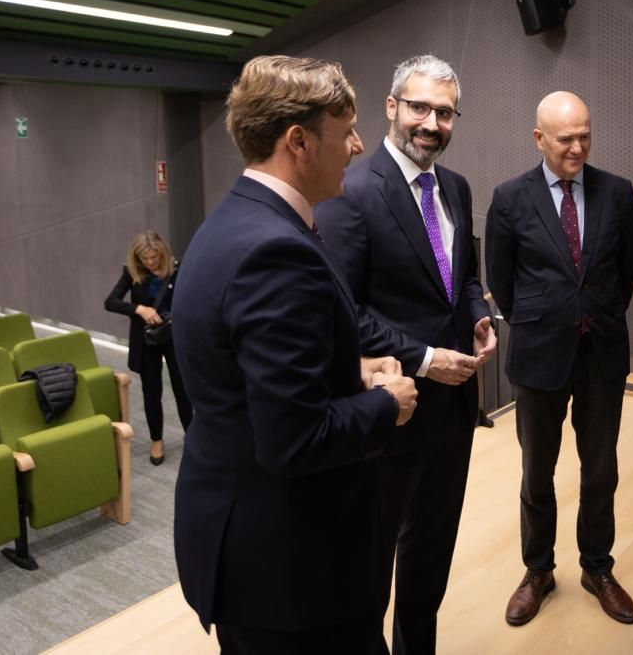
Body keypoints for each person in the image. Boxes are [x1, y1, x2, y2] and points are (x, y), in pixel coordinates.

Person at [172, 55, 418, 653]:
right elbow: (293, 439)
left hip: (252, 550)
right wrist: (387, 402)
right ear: (299, 141)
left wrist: (346, 370)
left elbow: (249, 376)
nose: (358, 146)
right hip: (290, 574)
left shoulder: (233, 222)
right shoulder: (275, 252)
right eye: (347, 131)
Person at [316, 54, 496, 655]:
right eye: (419, 107)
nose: (431, 122)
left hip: (454, 407)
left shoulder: (457, 186)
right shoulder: (353, 191)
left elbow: (462, 276)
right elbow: (347, 313)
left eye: (444, 112)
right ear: (391, 107)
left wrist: (476, 314)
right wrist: (423, 357)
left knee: (431, 552)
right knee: (372, 563)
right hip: (393, 407)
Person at [484, 91, 633, 628]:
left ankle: (598, 567)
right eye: (565, 138)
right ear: (539, 138)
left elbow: (626, 273)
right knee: (537, 473)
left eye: (585, 135)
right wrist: (544, 318)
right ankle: (537, 571)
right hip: (537, 356)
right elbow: (501, 282)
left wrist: (591, 313)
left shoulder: (618, 193)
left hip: (601, 351)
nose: (578, 147)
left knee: (601, 471)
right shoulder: (509, 198)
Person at [104, 230, 193, 465]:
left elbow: (190, 298)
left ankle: (192, 437)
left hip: (174, 336)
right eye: (146, 259)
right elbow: (110, 302)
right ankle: (157, 440)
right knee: (151, 393)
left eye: (155, 257)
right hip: (147, 340)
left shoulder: (177, 268)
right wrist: (139, 309)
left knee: (183, 390)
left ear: (162, 252)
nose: (151, 262)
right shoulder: (131, 273)